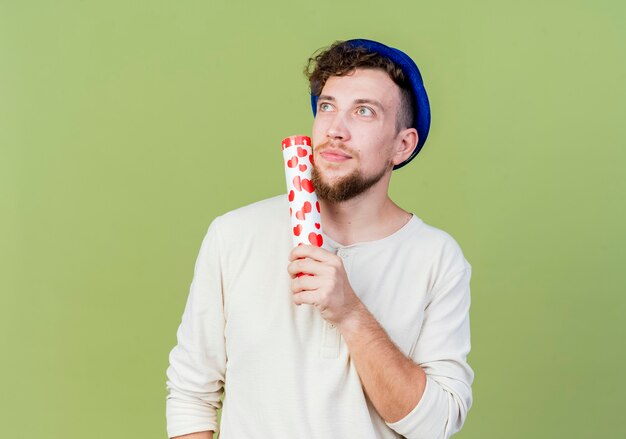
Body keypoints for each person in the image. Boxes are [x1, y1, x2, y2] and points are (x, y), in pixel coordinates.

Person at [166, 39, 473, 439]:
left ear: (402, 145)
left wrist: (349, 312)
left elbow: (436, 425)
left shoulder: (438, 259)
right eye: (327, 106)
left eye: (364, 111)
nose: (335, 130)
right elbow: (192, 396)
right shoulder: (234, 235)